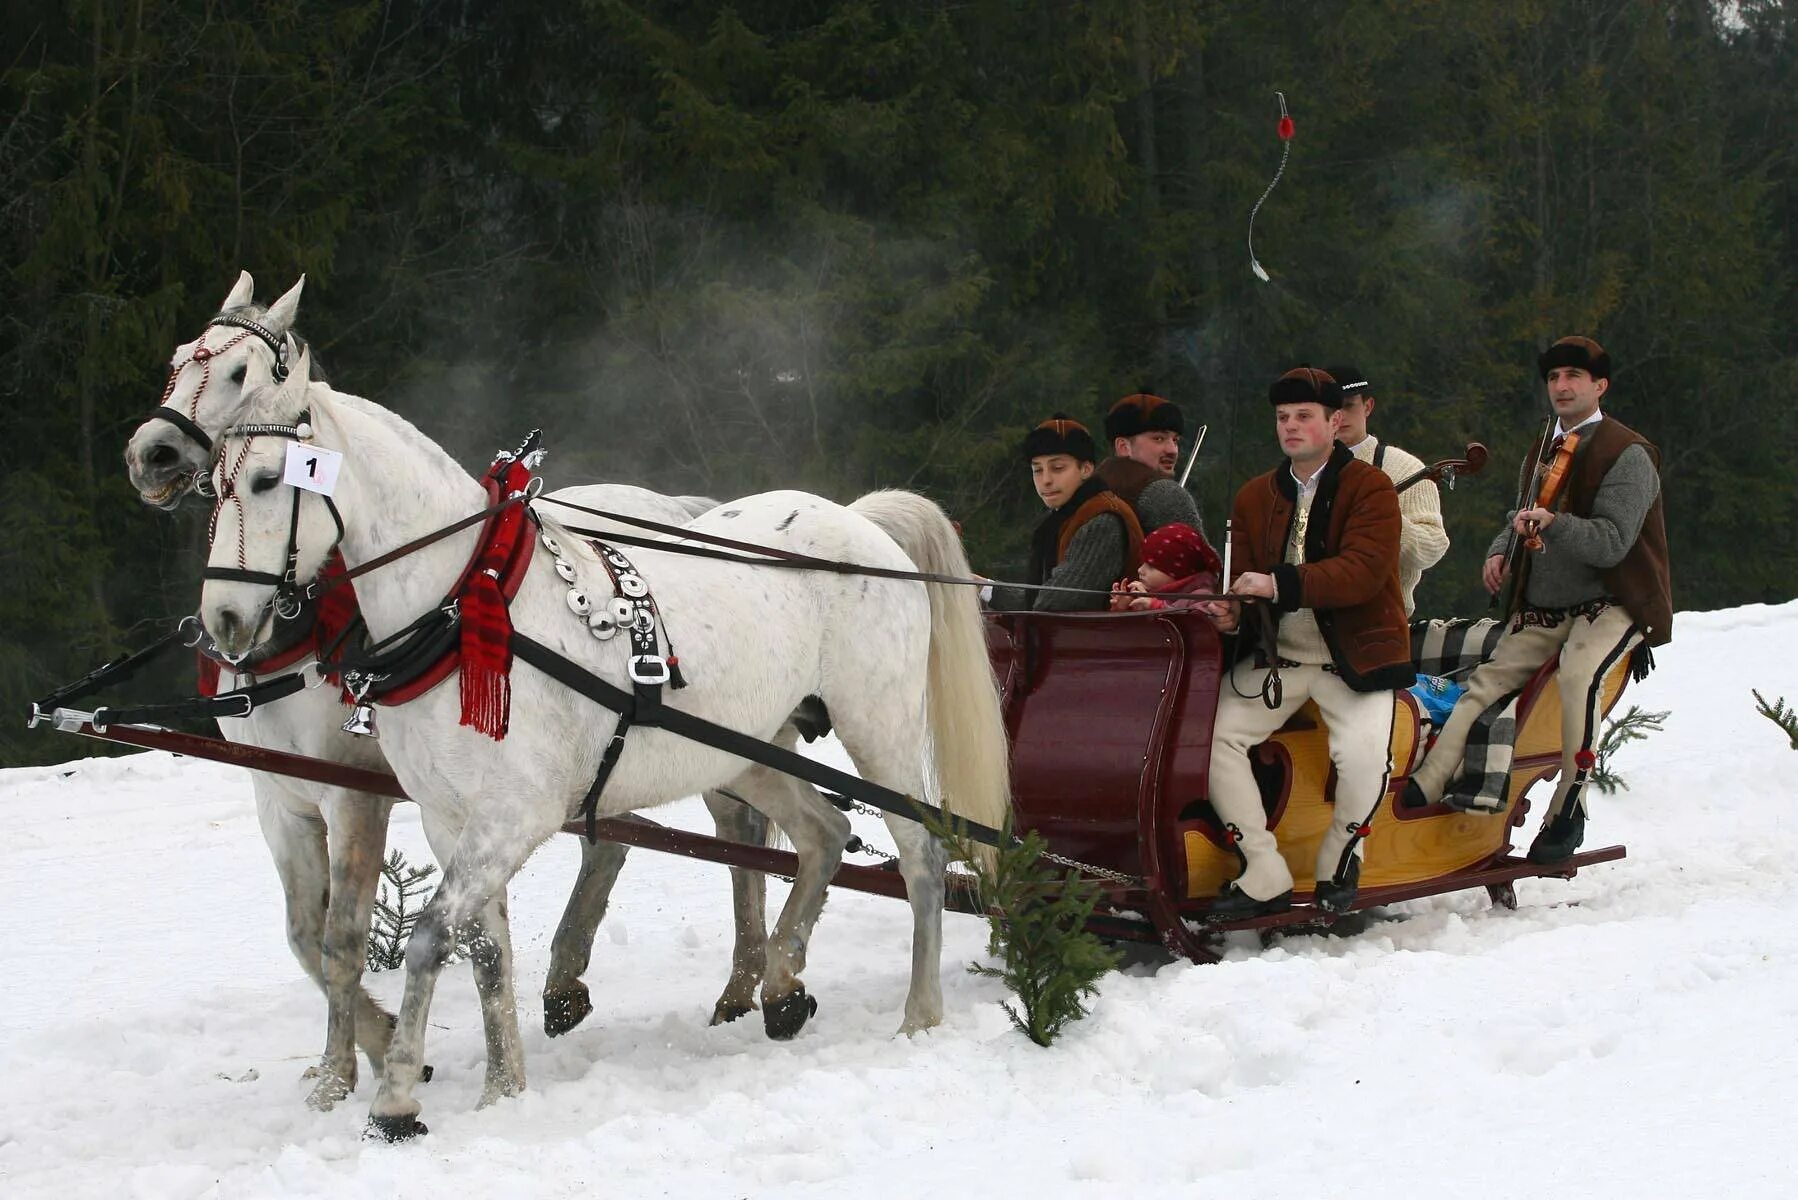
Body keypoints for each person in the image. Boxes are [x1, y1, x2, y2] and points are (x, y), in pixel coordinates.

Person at [1399, 337, 1671, 863]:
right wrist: (1501, 549)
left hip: (1612, 603)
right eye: (1553, 378)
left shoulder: (1628, 453)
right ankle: (1422, 793)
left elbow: (1613, 542)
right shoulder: (1545, 444)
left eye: (1574, 376)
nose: (1562, 386)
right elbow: (1522, 512)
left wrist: (1555, 525)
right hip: (1545, 607)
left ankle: (1570, 806)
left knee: (1578, 677)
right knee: (1485, 682)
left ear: (1600, 386)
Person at [1195, 367, 1413, 917]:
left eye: (1303, 417)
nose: (1290, 427)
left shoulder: (1373, 488)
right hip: (1280, 658)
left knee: (1365, 757)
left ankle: (1341, 855)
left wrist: (1278, 583)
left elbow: (1363, 571)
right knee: (1213, 737)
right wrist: (1232, 615)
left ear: (1335, 422)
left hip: (1356, 659)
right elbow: (1243, 580)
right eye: (1282, 418)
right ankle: (1263, 868)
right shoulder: (1252, 497)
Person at [1324, 365, 1450, 614]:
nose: (1340, 416)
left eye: (1349, 406)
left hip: (1382, 620)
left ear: (1368, 407)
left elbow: (1433, 546)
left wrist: (1389, 522)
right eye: (1330, 409)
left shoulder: (1407, 468)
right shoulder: (1305, 469)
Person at [990, 414, 1144, 611]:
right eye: (1037, 470)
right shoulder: (1062, 518)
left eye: (1058, 468)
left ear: (1086, 469)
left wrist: (987, 590)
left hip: (1109, 638)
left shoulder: (1102, 519)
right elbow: (1038, 599)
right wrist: (983, 588)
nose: (1046, 480)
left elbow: (1055, 602)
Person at [1096, 393, 1205, 535]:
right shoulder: (1166, 495)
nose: (1172, 450)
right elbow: (1200, 556)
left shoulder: (1086, 494)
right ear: (1123, 446)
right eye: (1159, 438)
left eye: (1175, 440)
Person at [1109, 522, 1221, 612]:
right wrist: (1123, 608)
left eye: (1151, 567)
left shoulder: (1201, 597)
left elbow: (1193, 625)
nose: (1140, 570)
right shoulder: (1149, 592)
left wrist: (1155, 607)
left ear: (1179, 572)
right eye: (1143, 563)